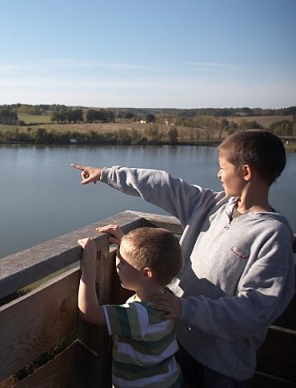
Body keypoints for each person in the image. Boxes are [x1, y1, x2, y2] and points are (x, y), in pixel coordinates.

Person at [72, 129, 295, 387]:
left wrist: (186, 309)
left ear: (245, 172)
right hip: (176, 348)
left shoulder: (272, 234)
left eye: (222, 168)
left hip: (221, 365)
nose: (218, 174)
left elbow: (256, 309)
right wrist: (107, 175)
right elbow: (163, 184)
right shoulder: (211, 205)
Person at [78, 226, 184, 387]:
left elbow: (90, 312)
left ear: (146, 274)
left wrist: (89, 264)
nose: (118, 265)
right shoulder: (168, 298)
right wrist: (126, 244)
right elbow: (141, 265)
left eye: (124, 262)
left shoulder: (139, 315)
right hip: (168, 380)